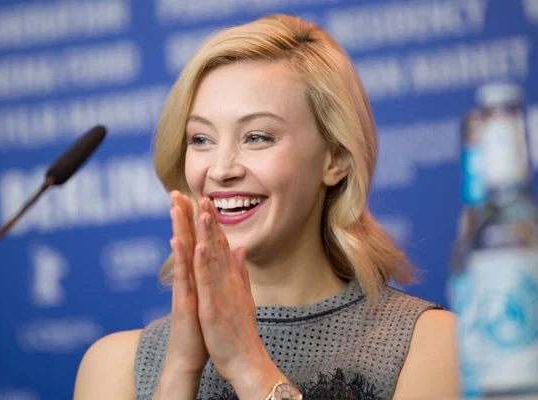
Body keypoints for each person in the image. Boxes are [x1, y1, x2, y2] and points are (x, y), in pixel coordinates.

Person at [73, 14, 458, 400]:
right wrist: (179, 370)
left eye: (257, 137)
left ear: (335, 157)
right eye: (201, 139)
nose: (221, 170)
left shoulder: (432, 344)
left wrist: (248, 366)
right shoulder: (115, 365)